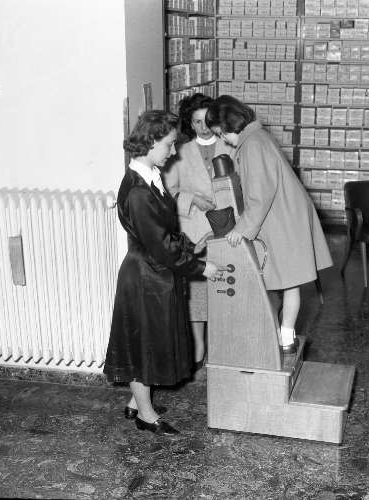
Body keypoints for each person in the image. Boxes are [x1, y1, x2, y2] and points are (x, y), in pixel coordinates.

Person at [103, 110, 225, 436]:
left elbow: (166, 234)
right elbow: (161, 246)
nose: (173, 151)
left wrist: (192, 246)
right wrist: (201, 267)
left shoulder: (150, 176)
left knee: (151, 341)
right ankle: (146, 415)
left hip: (154, 273)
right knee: (143, 346)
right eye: (169, 144)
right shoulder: (138, 191)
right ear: (152, 140)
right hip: (145, 276)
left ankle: (136, 401)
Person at [205, 95, 333, 354]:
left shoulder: (252, 145)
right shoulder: (258, 137)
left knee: (276, 282)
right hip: (287, 217)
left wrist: (241, 230)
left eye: (221, 134)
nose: (223, 140)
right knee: (290, 282)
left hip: (282, 221)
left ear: (229, 125)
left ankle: (279, 337)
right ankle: (286, 336)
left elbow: (259, 195)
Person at [164, 93, 234, 368]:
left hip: (226, 229)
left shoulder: (230, 146)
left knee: (226, 286)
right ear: (189, 124)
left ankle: (223, 344)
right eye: (196, 122)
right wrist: (192, 199)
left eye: (207, 121)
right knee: (197, 294)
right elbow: (168, 191)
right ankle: (199, 346)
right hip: (194, 232)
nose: (203, 127)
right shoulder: (180, 152)